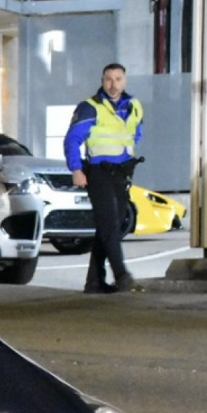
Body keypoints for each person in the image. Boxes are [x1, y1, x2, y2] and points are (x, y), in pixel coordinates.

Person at [64, 62, 143, 293]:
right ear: (102, 81)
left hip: (122, 173)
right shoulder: (90, 107)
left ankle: (94, 282)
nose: (113, 84)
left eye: (118, 79)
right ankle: (123, 276)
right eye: (108, 79)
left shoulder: (134, 106)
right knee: (109, 226)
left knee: (110, 227)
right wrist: (76, 169)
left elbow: (136, 134)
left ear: (124, 81)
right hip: (99, 173)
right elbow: (72, 140)